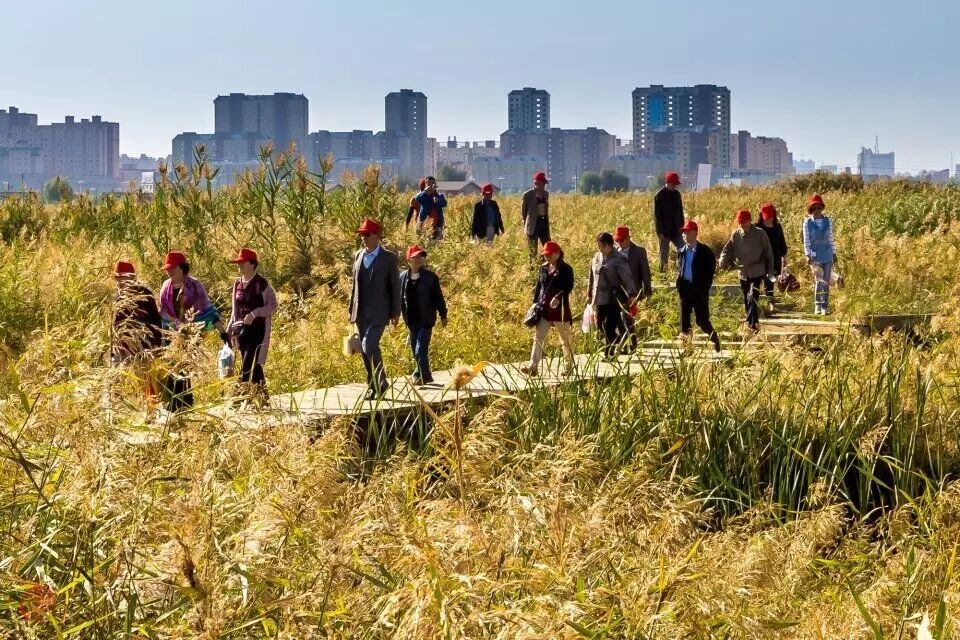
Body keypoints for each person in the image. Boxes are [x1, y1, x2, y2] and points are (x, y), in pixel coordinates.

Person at [158, 251, 227, 412]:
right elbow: (163, 311)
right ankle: (174, 404)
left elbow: (207, 310)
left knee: (184, 367)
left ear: (182, 268)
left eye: (172, 268)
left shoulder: (195, 286)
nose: (169, 272)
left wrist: (222, 331)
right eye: (167, 269)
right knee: (170, 367)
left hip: (190, 333)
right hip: (170, 333)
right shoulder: (165, 287)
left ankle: (185, 403)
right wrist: (172, 326)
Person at [349, 218, 402, 398]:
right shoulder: (358, 255)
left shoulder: (388, 258)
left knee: (369, 345)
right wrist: (351, 310)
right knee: (366, 350)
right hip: (361, 312)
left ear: (377, 235)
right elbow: (355, 286)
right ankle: (374, 386)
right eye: (361, 235)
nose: (363, 238)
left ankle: (381, 382)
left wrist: (396, 312)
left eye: (367, 234)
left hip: (380, 311)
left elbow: (395, 286)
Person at [227, 248, 278, 402]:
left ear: (252, 264)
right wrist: (229, 328)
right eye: (238, 262)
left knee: (247, 363)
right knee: (254, 366)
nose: (239, 265)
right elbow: (234, 309)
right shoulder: (237, 283)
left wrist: (255, 313)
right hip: (241, 331)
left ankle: (237, 399)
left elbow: (273, 306)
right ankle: (263, 400)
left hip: (257, 331)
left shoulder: (262, 284)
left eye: (243, 262)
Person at [520, 241, 575, 376]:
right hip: (544, 309)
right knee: (538, 338)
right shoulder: (543, 268)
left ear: (557, 254)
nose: (547, 257)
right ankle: (533, 366)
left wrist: (558, 297)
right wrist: (534, 303)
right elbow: (539, 287)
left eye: (549, 255)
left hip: (560, 310)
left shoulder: (566, 269)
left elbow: (568, 287)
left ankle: (568, 367)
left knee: (565, 340)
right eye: (545, 255)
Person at [112, 261, 163, 403]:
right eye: (119, 278)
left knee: (146, 381)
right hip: (123, 348)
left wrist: (155, 346)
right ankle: (124, 406)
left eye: (125, 278)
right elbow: (116, 325)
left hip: (143, 347)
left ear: (133, 278)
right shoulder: (118, 297)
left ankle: (150, 407)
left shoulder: (144, 294)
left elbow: (155, 321)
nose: (121, 282)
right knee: (121, 382)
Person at [719, 209, 774, 332]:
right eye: (740, 222)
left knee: (752, 296)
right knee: (746, 298)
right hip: (743, 272)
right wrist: (723, 258)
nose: (742, 224)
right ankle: (752, 322)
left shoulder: (760, 233)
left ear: (749, 221)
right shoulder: (736, 234)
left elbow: (768, 252)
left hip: (757, 270)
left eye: (744, 222)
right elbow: (727, 249)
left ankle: (752, 324)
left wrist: (770, 270)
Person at [399, 245, 448, 385]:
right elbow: (398, 298)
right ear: (408, 260)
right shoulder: (402, 277)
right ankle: (426, 375)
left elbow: (438, 297)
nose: (418, 260)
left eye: (420, 257)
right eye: (415, 257)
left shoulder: (430, 277)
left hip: (426, 319)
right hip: (411, 319)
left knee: (420, 348)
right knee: (415, 348)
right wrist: (394, 314)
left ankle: (418, 375)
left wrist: (443, 314)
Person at [587, 232, 637, 357]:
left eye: (600, 245)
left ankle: (609, 353)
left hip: (613, 298)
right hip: (599, 297)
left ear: (607, 245)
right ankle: (619, 339)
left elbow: (627, 277)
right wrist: (589, 294)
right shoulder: (597, 257)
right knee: (600, 325)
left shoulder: (619, 258)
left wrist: (631, 293)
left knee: (609, 326)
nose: (598, 248)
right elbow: (591, 277)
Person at [676, 221, 722, 352]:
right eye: (684, 233)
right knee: (684, 321)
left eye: (688, 232)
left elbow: (710, 271)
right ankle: (687, 348)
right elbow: (680, 269)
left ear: (695, 233)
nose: (685, 235)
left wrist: (704, 287)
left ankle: (714, 337)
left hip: (699, 290)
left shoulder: (705, 251)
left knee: (702, 320)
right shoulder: (681, 251)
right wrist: (679, 285)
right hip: (685, 289)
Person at [613, 225, 653, 350]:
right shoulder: (614, 252)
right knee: (620, 319)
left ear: (628, 238)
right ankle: (626, 343)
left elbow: (645, 273)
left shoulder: (638, 251)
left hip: (632, 291)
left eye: (622, 240)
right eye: (617, 240)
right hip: (617, 291)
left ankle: (632, 343)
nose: (619, 243)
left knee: (627, 318)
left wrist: (647, 291)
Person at [803, 194, 837, 315]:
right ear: (810, 209)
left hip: (827, 253)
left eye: (819, 207)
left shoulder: (828, 221)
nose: (817, 210)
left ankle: (825, 306)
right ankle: (818, 304)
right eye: (814, 208)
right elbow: (806, 240)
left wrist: (834, 253)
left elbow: (831, 238)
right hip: (815, 255)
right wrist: (807, 255)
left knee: (826, 281)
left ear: (822, 208)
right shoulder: (807, 223)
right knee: (819, 280)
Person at [756, 202, 789, 307]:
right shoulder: (757, 227)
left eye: (770, 217)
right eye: (766, 217)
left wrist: (784, 257)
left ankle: (770, 302)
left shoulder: (777, 227)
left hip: (775, 258)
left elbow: (782, 243)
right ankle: (759, 303)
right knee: (759, 281)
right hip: (760, 259)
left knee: (770, 281)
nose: (769, 219)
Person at [654, 171, 685, 271]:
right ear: (668, 182)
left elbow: (681, 211)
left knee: (683, 249)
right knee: (664, 254)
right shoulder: (659, 195)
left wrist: (682, 226)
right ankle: (663, 275)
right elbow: (657, 216)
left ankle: (681, 270)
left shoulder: (677, 194)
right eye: (673, 184)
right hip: (664, 231)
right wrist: (659, 232)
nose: (674, 186)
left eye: (675, 184)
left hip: (676, 230)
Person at [522, 171, 551, 257]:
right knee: (533, 250)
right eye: (543, 183)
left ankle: (544, 262)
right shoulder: (528, 195)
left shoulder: (546, 194)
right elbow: (524, 211)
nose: (544, 185)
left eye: (544, 184)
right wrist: (526, 223)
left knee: (548, 247)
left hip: (543, 223)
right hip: (533, 224)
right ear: (537, 183)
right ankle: (533, 265)